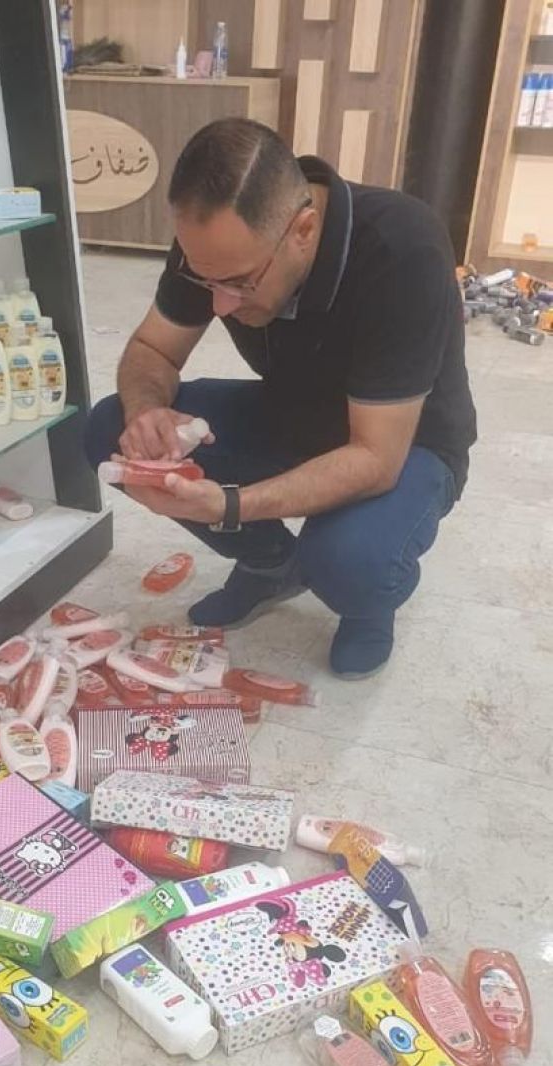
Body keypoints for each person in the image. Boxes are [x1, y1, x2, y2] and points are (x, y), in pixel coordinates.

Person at [85, 119, 476, 678]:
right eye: (207, 282)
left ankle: (366, 603)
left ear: (304, 230)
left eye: (239, 283)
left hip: (408, 444)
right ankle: (271, 564)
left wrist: (231, 505)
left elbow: (374, 458)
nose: (220, 305)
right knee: (110, 430)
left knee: (347, 559)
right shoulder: (216, 248)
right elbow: (153, 349)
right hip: (295, 412)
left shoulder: (402, 249)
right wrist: (147, 412)